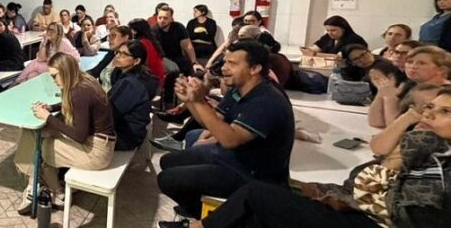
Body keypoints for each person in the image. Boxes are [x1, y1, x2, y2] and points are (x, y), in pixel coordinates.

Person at [173, 86, 451, 228]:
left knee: (255, 194)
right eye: (428, 107)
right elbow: (376, 156)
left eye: (444, 112)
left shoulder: (437, 162)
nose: (428, 114)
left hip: (368, 222)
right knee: (255, 212)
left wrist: (402, 154)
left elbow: (410, 216)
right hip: (352, 207)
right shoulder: (426, 146)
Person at [156, 40, 295, 219]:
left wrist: (199, 101)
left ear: (255, 69)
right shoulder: (238, 90)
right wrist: (190, 101)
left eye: (232, 64)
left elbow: (230, 139)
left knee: (167, 179)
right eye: (225, 62)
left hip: (253, 173)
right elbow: (212, 122)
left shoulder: (266, 101)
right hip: (233, 157)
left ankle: (214, 218)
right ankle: (204, 210)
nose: (224, 68)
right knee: (167, 161)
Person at [13, 53, 114, 215]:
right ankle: (38, 184)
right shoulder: (84, 80)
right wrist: (52, 108)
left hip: (96, 151)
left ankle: (50, 191)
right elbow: (75, 106)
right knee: (34, 132)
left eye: (55, 76)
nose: (54, 81)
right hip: (99, 142)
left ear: (66, 71)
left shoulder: (79, 93)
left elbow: (80, 136)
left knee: (41, 146)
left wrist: (48, 117)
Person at [109, 41, 158, 151]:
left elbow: (111, 112)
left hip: (125, 137)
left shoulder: (130, 83)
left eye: (124, 54)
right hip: (128, 131)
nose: (118, 56)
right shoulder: (124, 75)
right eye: (118, 52)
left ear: (136, 61)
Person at [155, 6, 201, 76]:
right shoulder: (153, 31)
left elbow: (187, 45)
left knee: (197, 73)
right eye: (160, 17)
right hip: (163, 59)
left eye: (165, 18)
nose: (162, 20)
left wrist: (194, 62)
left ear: (171, 19)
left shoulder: (178, 27)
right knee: (174, 70)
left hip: (178, 57)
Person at [367, 58, 408, 128]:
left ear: (390, 77)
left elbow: (394, 126)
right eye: (373, 79)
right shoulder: (384, 89)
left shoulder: (404, 87)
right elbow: (375, 122)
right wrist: (380, 93)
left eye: (377, 78)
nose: (375, 82)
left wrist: (389, 95)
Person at [303, 15, 368, 56]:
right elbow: (317, 48)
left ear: (343, 29)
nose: (329, 33)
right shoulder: (327, 36)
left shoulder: (355, 39)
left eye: (333, 30)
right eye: (327, 30)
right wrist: (309, 50)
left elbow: (342, 57)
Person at [128, 19, 167, 86]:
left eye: (130, 29)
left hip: (151, 80)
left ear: (135, 31)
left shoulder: (141, 44)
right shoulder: (150, 41)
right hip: (158, 78)